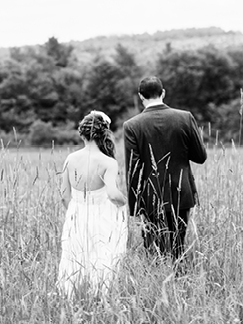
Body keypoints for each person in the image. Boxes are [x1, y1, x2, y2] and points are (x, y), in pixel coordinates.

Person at [123, 76, 207, 261]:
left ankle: (159, 284)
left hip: (149, 199)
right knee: (178, 248)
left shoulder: (131, 126)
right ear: (163, 93)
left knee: (155, 253)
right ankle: (180, 283)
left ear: (140, 96)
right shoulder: (185, 117)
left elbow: (133, 170)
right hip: (181, 194)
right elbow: (200, 156)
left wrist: (135, 208)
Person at [57, 110, 128, 296]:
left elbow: (64, 195)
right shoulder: (108, 162)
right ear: (104, 133)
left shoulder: (70, 159)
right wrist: (124, 203)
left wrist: (75, 212)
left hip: (76, 214)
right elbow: (113, 194)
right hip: (101, 216)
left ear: (82, 133)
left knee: (75, 256)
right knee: (102, 256)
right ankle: (100, 295)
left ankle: (71, 295)